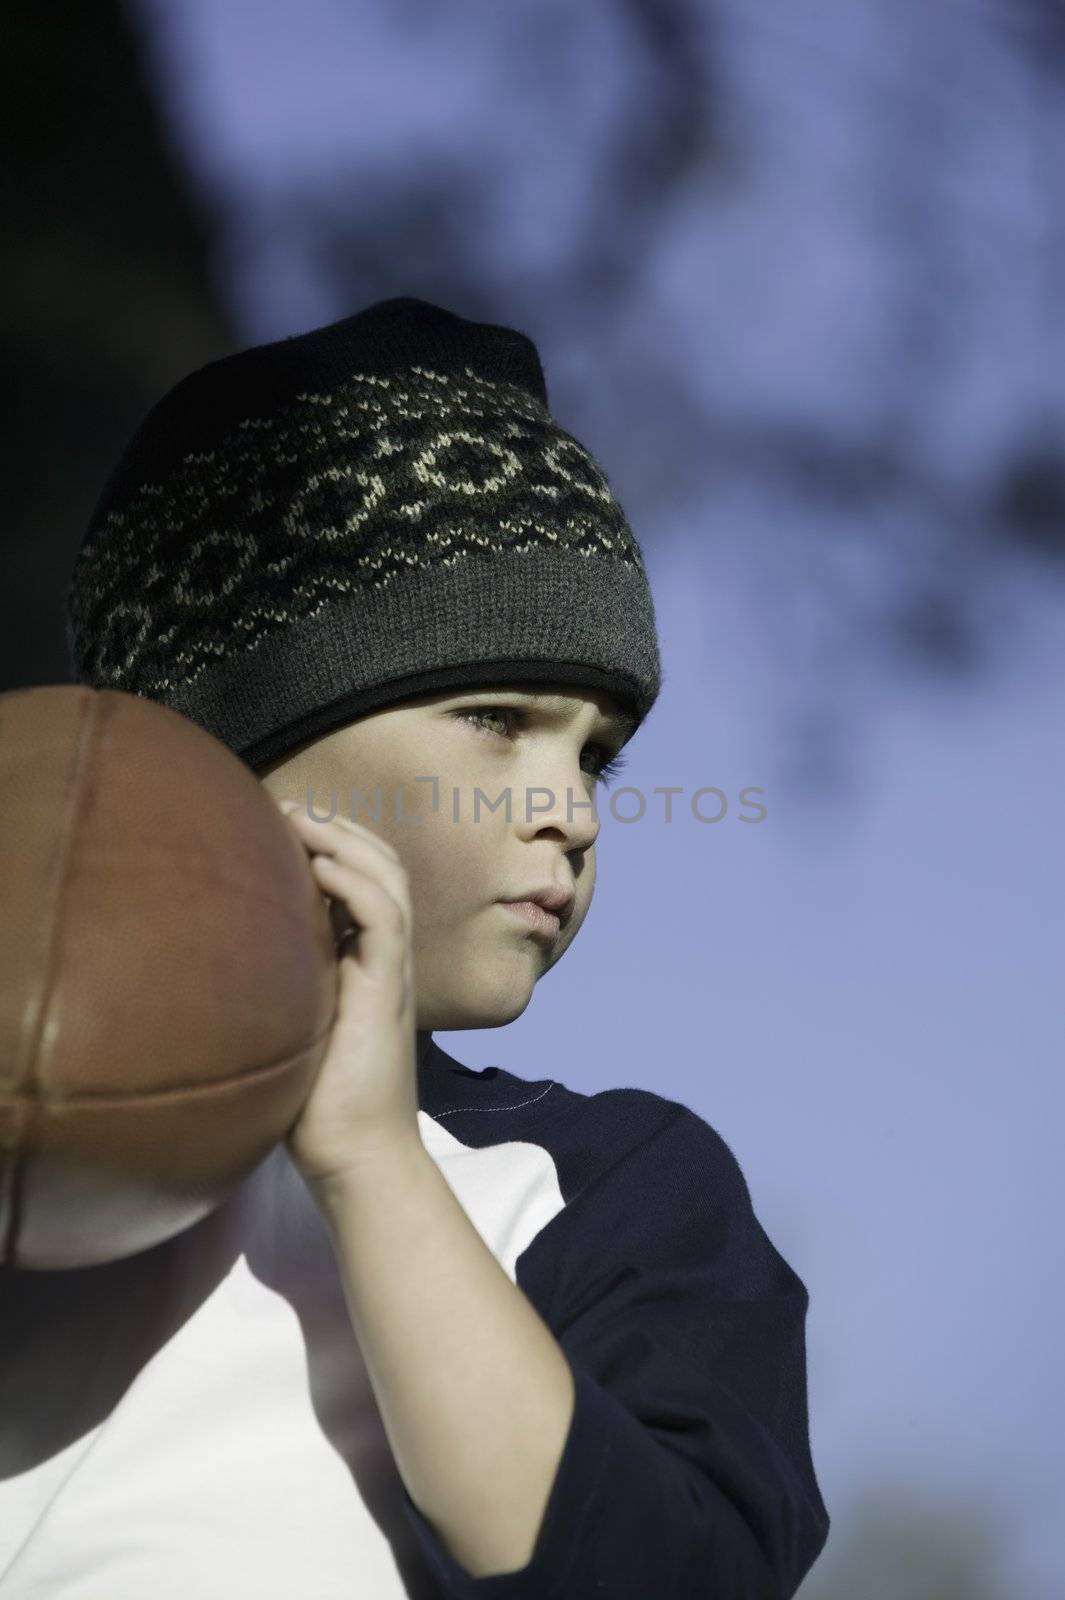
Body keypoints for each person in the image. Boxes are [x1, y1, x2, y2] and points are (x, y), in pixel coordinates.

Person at [0, 297, 830, 1596]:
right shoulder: (32, 1119)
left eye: (597, 756)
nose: (569, 810)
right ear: (220, 758)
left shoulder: (604, 1185)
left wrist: (372, 1162)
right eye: (495, 717)